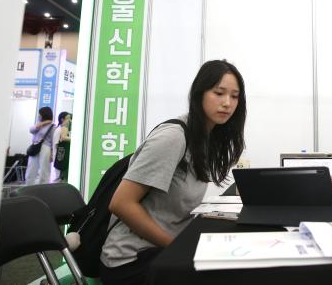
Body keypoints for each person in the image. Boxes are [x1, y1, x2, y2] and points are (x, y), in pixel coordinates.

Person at [100, 60, 247, 284]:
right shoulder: (173, 137)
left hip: (164, 248)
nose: (227, 103)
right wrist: (176, 247)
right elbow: (121, 204)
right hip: (132, 260)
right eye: (219, 93)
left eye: (234, 96)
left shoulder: (205, 138)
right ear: (199, 94)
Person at [25, 106, 56, 185]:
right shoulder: (39, 124)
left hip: (46, 148)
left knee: (44, 170)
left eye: (40, 114)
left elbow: (53, 141)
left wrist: (52, 154)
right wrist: (43, 123)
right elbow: (31, 130)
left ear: (44, 114)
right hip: (35, 147)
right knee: (31, 169)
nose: (39, 115)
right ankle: (28, 187)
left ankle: (43, 189)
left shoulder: (52, 126)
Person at [52, 111, 71, 182]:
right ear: (62, 119)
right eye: (68, 118)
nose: (69, 120)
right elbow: (57, 144)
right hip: (60, 158)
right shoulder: (60, 129)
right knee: (59, 178)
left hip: (60, 158)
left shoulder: (61, 129)